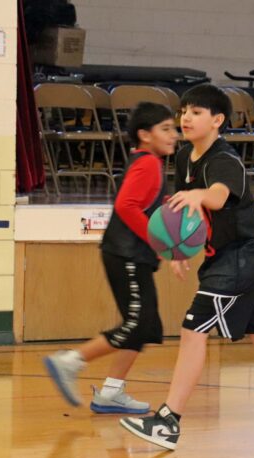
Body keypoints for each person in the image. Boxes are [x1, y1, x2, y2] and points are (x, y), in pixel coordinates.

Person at [120, 84, 254, 450]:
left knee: (193, 329)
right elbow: (187, 217)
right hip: (223, 257)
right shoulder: (184, 156)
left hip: (241, 258)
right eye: (184, 110)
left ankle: (168, 421)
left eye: (197, 112)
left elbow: (218, 197)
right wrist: (178, 251)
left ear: (217, 120)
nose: (186, 117)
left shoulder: (224, 160)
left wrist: (200, 194)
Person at [43, 102, 179, 413]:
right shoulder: (148, 164)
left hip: (133, 256)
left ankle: (110, 393)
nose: (174, 135)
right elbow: (126, 206)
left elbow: (143, 202)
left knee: (146, 326)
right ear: (145, 135)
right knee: (135, 324)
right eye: (166, 129)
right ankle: (69, 361)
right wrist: (162, 243)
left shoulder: (150, 164)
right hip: (125, 254)